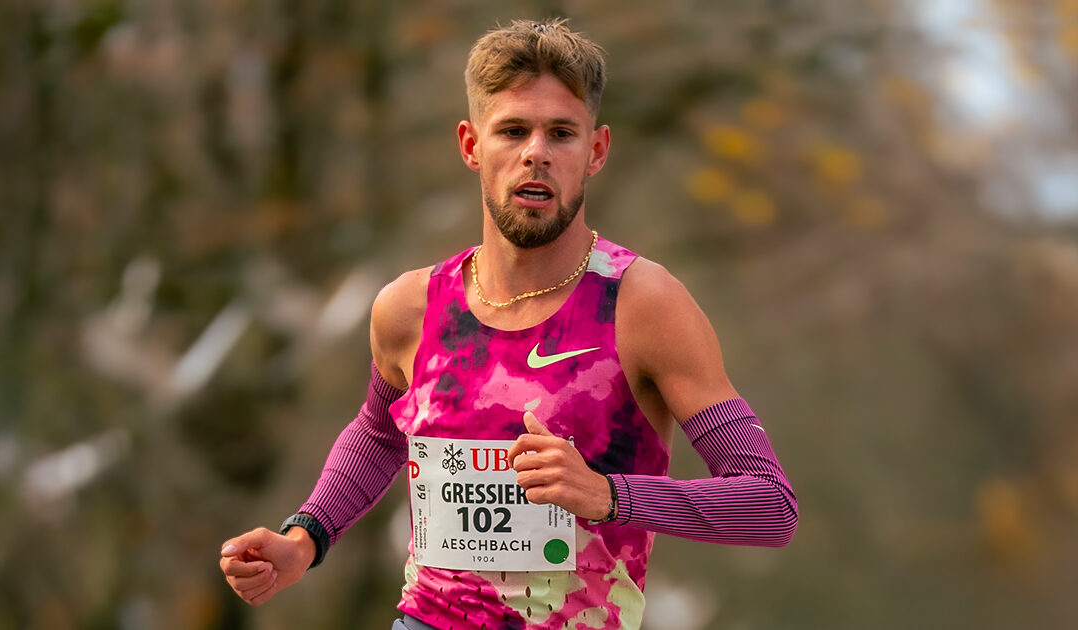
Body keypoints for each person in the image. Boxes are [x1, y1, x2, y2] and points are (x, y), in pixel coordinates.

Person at [219, 18, 797, 630]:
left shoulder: (642, 305)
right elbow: (380, 436)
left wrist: (608, 496)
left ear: (596, 151)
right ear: (471, 145)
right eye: (513, 130)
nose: (536, 152)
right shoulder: (411, 309)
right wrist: (306, 536)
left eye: (562, 133)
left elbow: (768, 504)